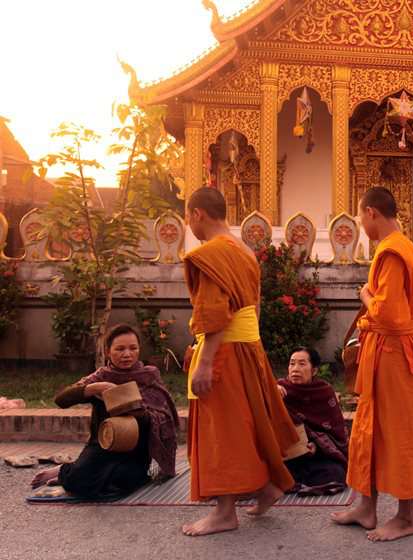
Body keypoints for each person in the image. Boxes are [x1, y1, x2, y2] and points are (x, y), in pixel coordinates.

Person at [181, 187, 299, 537]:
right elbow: (254, 308)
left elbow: (216, 312)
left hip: (225, 350)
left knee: (225, 427)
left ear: (198, 213)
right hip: (248, 347)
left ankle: (224, 511)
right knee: (249, 422)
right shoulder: (244, 250)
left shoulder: (211, 254)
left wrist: (204, 362)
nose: (189, 223)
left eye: (188, 216)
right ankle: (267, 487)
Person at [331, 187, 413, 542]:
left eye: (361, 216)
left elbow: (391, 315)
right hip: (386, 353)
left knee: (399, 432)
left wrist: (365, 296)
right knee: (371, 428)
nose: (361, 223)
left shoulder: (392, 252)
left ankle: (407, 517)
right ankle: (367, 506)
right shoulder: (403, 246)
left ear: (372, 212)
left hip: (395, 354)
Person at [31, 324, 178, 500]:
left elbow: (162, 416)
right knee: (79, 483)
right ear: (108, 352)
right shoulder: (101, 377)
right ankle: (67, 471)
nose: (127, 354)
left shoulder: (149, 376)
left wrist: (131, 405)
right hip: (102, 447)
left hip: (136, 452)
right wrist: (98, 387)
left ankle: (76, 470)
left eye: (133, 348)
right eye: (120, 349)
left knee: (123, 482)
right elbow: (61, 400)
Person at [277, 346, 348, 495]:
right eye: (292, 363)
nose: (295, 369)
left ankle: (291, 483)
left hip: (314, 455)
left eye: (302, 364)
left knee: (336, 473)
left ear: (314, 370)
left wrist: (317, 445)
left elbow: (336, 433)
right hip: (283, 455)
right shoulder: (278, 389)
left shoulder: (324, 392)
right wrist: (271, 394)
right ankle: (291, 482)